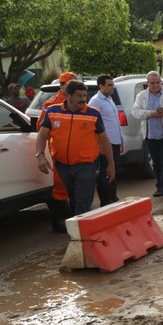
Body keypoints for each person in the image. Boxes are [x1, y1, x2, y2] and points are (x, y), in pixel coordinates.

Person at [35, 80, 115, 217]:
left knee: (82, 202)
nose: (83, 99)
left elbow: (104, 140)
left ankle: (82, 234)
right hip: (62, 165)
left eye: (85, 96)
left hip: (85, 165)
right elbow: (42, 135)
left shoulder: (93, 114)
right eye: (79, 96)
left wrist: (110, 163)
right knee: (74, 199)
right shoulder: (53, 111)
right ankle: (80, 228)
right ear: (68, 95)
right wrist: (40, 155)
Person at [38, 71, 79, 231]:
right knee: (61, 184)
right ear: (62, 86)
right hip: (59, 151)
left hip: (76, 151)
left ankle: (76, 217)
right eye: (69, 85)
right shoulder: (51, 105)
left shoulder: (77, 102)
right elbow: (41, 128)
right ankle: (58, 221)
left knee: (77, 184)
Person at [132, 71, 163, 199]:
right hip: (150, 135)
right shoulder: (141, 96)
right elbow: (135, 112)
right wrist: (151, 113)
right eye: (152, 83)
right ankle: (159, 187)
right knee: (156, 163)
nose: (155, 85)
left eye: (158, 82)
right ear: (147, 83)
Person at [88, 75, 123, 205]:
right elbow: (92, 124)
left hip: (115, 141)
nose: (112, 87)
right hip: (105, 143)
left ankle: (113, 197)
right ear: (101, 86)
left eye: (112, 85)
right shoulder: (95, 101)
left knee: (114, 169)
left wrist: (120, 139)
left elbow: (114, 121)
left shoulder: (109, 99)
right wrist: (100, 145)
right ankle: (105, 201)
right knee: (105, 171)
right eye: (109, 85)